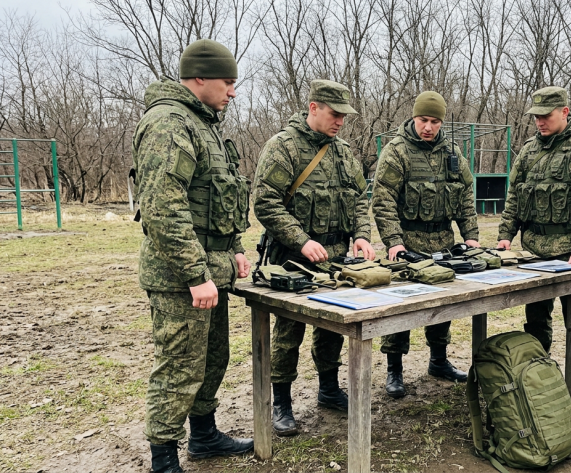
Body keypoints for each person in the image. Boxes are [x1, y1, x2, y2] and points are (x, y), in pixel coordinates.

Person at [132, 39, 254, 473]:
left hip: (211, 270)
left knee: (212, 360)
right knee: (179, 367)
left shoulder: (203, 124)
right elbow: (164, 208)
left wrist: (235, 248)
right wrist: (194, 274)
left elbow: (219, 199)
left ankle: (203, 436)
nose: (233, 92)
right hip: (180, 277)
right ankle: (164, 458)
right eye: (228, 82)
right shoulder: (169, 123)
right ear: (199, 77)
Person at [252, 79, 374, 436]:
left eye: (344, 116)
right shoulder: (284, 147)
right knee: (288, 332)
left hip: (336, 259)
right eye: (335, 114)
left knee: (333, 328)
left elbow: (358, 199)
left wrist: (362, 234)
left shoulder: (343, 152)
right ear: (313, 108)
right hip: (293, 259)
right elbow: (265, 202)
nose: (340, 122)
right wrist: (301, 240)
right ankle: (282, 402)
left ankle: (328, 388)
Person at [497, 86, 571, 410]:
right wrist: (506, 235)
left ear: (564, 112)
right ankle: (540, 371)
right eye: (535, 117)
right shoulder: (529, 151)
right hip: (534, 252)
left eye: (545, 116)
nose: (539, 122)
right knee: (535, 318)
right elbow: (515, 196)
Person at [371, 91, 478, 398]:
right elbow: (383, 199)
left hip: (443, 241)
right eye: (423, 120)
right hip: (408, 244)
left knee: (443, 306)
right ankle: (394, 369)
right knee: (400, 308)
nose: (428, 127)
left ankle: (438, 361)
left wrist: (470, 236)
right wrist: (394, 242)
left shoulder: (452, 152)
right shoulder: (397, 151)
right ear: (413, 117)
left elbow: (465, 195)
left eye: (434, 121)